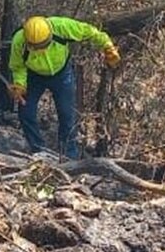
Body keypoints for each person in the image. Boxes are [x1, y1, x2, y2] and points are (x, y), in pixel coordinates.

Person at [7, 16, 120, 160]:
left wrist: (107, 46)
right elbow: (18, 66)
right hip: (33, 76)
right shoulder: (19, 41)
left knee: (67, 115)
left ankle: (68, 157)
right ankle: (38, 151)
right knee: (26, 113)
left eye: (44, 45)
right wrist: (19, 85)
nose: (41, 50)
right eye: (36, 47)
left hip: (62, 75)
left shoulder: (62, 27)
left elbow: (90, 32)